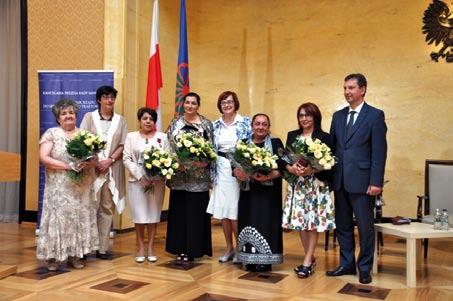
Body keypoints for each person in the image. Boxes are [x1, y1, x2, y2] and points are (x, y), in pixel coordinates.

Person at [326, 73, 387, 284]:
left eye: (351, 88)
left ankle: (364, 268)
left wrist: (376, 181)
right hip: (340, 180)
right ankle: (346, 264)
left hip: (363, 183)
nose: (347, 92)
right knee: (342, 226)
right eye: (345, 88)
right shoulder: (338, 116)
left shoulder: (375, 116)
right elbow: (332, 150)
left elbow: (379, 152)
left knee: (365, 227)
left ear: (363, 90)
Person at [37, 99, 99, 270]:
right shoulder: (52, 133)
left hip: (81, 188)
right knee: (59, 219)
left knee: (78, 218)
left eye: (71, 113)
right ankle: (53, 257)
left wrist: (88, 163)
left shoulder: (85, 135)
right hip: (59, 188)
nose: (68, 116)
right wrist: (68, 166)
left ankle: (76, 255)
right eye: (64, 113)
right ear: (58, 118)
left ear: (76, 115)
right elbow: (44, 158)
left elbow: (96, 159)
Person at [282, 102, 335, 278]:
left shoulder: (325, 137)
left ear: (315, 117)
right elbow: (284, 159)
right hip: (297, 185)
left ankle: (306, 262)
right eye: (301, 115)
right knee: (301, 224)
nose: (304, 118)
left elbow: (330, 163)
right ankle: (309, 258)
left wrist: (313, 169)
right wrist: (291, 169)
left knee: (311, 224)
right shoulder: (292, 136)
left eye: (308, 115)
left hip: (315, 186)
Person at [80, 85, 128, 259]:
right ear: (99, 99)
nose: (109, 100)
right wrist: (96, 161)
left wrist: (109, 160)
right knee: (88, 206)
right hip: (92, 170)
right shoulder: (89, 117)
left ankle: (102, 248)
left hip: (111, 170)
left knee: (106, 208)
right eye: (106, 97)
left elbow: (123, 144)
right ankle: (85, 247)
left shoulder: (121, 120)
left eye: (112, 97)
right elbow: (82, 140)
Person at [165, 92, 213, 261]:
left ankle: (195, 250)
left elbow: (211, 148)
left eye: (194, 103)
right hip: (179, 175)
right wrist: (174, 163)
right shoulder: (175, 123)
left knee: (196, 214)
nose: (190, 106)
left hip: (199, 177)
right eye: (187, 102)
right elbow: (168, 144)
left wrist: (205, 162)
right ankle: (179, 248)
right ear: (183, 104)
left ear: (198, 106)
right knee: (179, 214)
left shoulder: (206, 124)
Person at [234, 113, 285, 272]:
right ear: (252, 126)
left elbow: (284, 166)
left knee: (267, 222)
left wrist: (269, 175)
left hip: (269, 194)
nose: (260, 127)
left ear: (268, 127)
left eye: (264, 124)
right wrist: (239, 172)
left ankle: (266, 260)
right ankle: (249, 258)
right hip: (249, 193)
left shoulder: (276, 143)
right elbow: (234, 166)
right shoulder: (242, 144)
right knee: (249, 221)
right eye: (257, 124)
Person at [207, 91, 252, 263]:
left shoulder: (245, 122)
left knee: (234, 212)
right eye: (223, 102)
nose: (227, 104)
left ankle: (241, 249)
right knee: (223, 212)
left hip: (238, 170)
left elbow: (251, 146)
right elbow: (211, 150)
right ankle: (229, 248)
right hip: (220, 169)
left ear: (236, 103)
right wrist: (211, 175)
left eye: (230, 101)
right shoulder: (214, 125)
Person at [123, 108, 169, 263]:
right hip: (137, 182)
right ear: (139, 121)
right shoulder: (131, 137)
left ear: (154, 121)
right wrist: (140, 175)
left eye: (151, 118)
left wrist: (158, 174)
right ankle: (140, 247)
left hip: (156, 182)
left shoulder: (162, 137)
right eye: (144, 118)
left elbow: (168, 158)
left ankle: (151, 247)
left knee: (153, 215)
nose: (148, 121)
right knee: (140, 216)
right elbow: (126, 158)